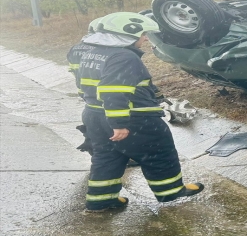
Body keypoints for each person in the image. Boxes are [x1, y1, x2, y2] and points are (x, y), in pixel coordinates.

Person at [77, 12, 204, 212]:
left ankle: (100, 199)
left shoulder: (90, 51)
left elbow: (84, 84)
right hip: (134, 116)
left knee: (107, 156)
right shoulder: (124, 56)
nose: (145, 38)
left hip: (94, 114)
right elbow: (114, 90)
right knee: (158, 152)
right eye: (142, 34)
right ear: (126, 33)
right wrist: (118, 123)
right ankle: (170, 191)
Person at [66, 18, 101, 155]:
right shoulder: (98, 49)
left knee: (93, 117)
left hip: (84, 89)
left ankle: (90, 141)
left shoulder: (75, 48)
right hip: (102, 90)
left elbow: (73, 70)